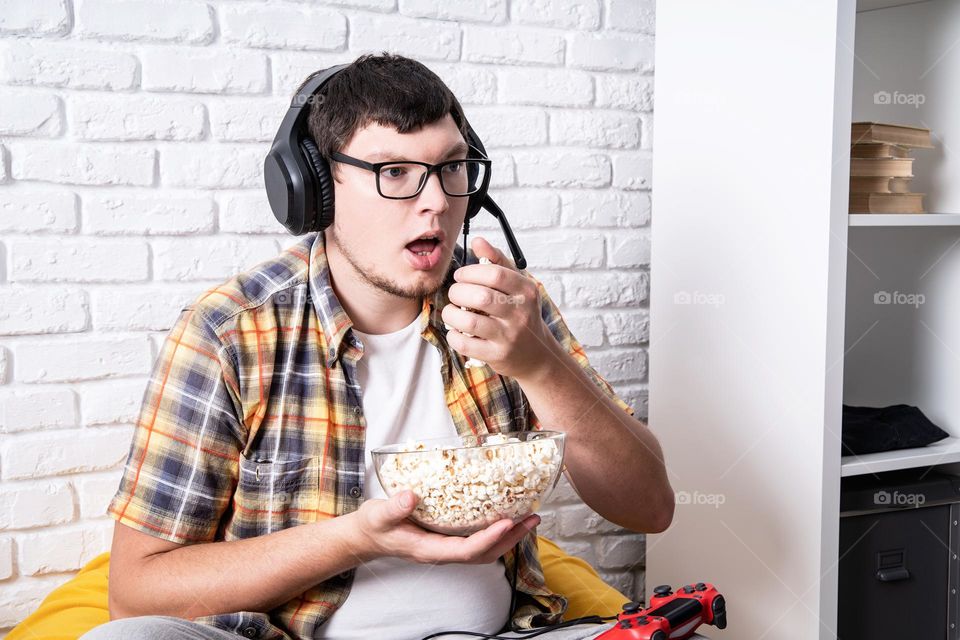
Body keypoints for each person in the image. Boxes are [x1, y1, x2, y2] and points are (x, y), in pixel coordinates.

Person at [80, 53, 674, 640]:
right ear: (316, 187)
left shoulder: (508, 308)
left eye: (451, 167)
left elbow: (650, 507)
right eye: (393, 171)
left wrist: (540, 364)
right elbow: (136, 594)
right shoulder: (232, 332)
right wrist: (356, 538)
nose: (437, 201)